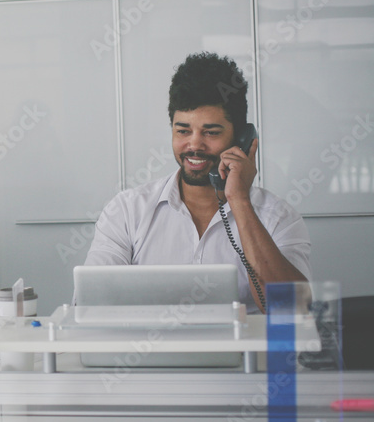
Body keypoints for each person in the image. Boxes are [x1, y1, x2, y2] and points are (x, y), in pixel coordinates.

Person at [83, 52, 310, 312]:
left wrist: (240, 201)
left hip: (243, 353)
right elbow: (90, 304)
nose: (194, 145)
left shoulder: (279, 217)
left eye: (211, 132)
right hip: (150, 351)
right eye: (183, 131)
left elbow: (292, 311)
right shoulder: (126, 211)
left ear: (242, 139)